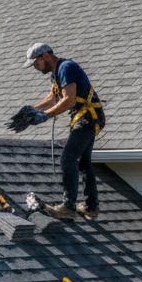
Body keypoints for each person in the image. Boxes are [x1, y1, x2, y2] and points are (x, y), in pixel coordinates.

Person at [23, 42, 106, 220]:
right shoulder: (56, 73)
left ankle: (68, 207)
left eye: (36, 63)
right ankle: (91, 208)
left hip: (87, 117)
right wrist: (33, 110)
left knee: (67, 158)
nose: (35, 67)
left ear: (45, 56)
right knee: (83, 163)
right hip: (86, 118)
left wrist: (45, 116)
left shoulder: (66, 67)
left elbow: (68, 100)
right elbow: (54, 98)